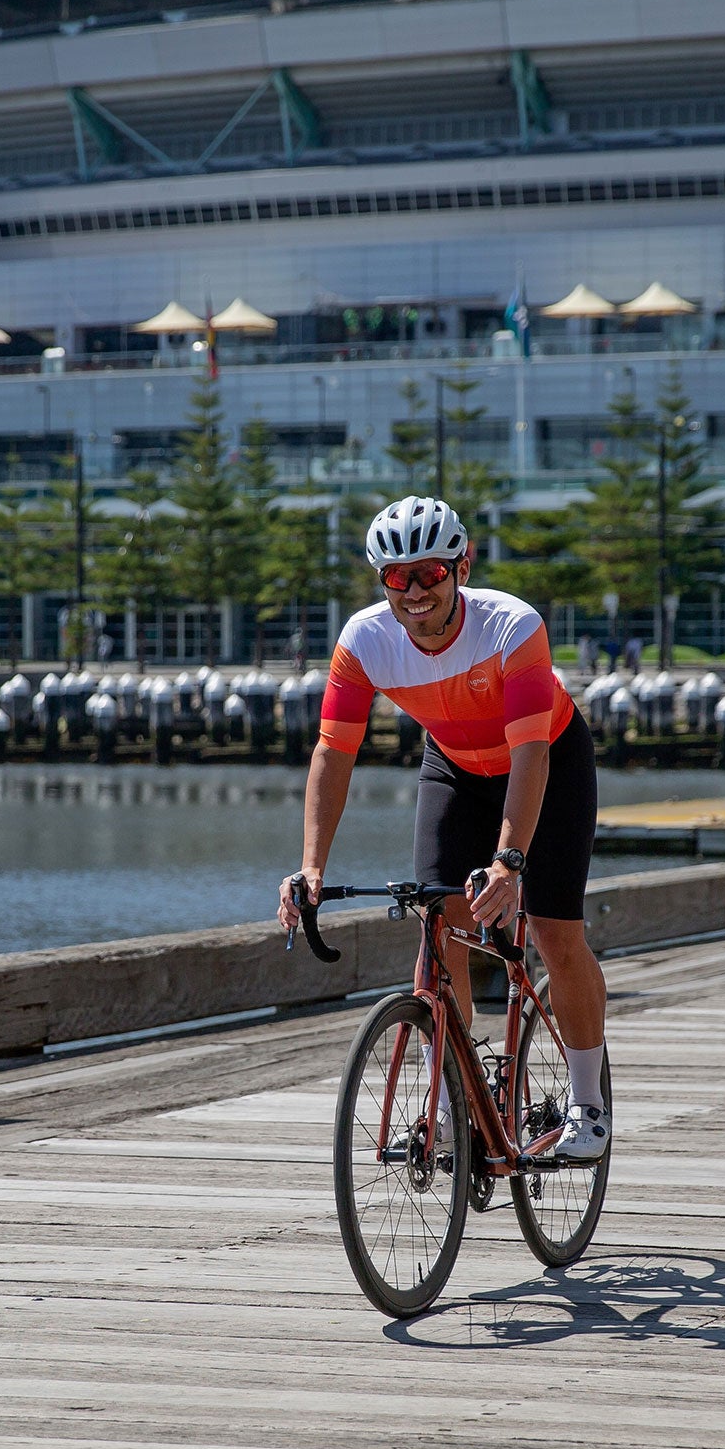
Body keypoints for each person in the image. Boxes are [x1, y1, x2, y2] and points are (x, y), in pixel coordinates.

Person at [277, 496, 611, 1160]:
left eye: (429, 571)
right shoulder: (364, 641)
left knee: (554, 933)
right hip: (455, 767)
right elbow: (333, 754)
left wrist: (510, 861)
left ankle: (586, 1104)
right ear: (382, 582)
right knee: (439, 927)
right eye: (397, 578)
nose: (416, 591)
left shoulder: (511, 627)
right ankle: (449, 1103)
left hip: (546, 759)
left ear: (462, 564)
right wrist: (310, 865)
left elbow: (529, 754)